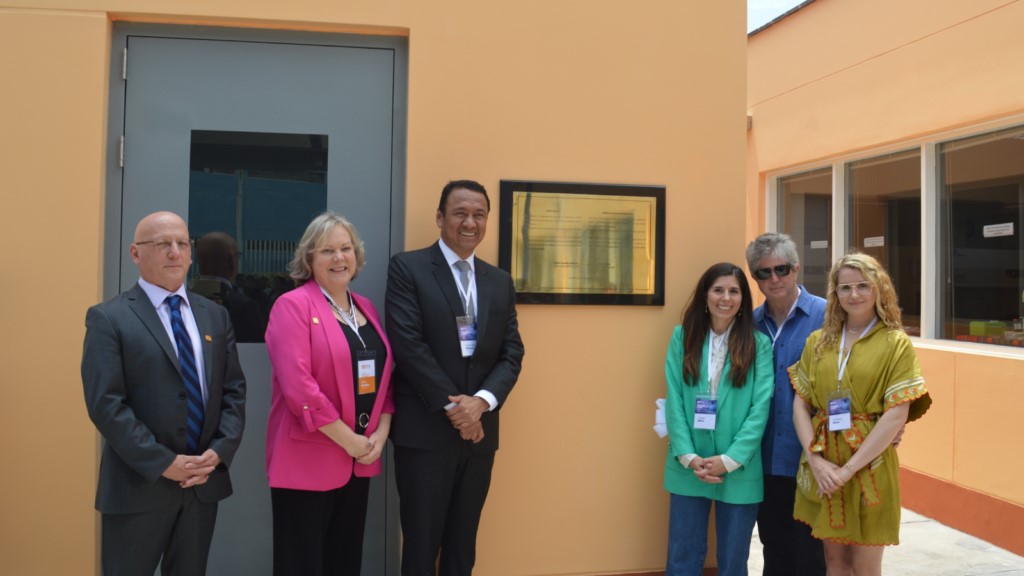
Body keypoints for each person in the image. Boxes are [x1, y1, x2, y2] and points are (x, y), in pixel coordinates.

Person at [81, 211, 247, 576]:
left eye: (183, 243)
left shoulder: (215, 316)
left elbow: (234, 391)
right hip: (138, 487)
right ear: (136, 253)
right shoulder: (109, 319)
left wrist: (217, 454)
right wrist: (163, 463)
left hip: (202, 485)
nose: (175, 252)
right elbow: (106, 405)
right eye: (162, 244)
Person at [385, 179, 525, 576]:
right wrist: (456, 408)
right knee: (420, 545)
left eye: (479, 215)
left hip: (479, 436)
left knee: (463, 545)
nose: (470, 222)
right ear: (440, 217)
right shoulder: (408, 268)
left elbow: (512, 353)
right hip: (426, 432)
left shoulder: (499, 281)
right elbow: (409, 346)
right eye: (461, 212)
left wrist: (480, 403)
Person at [264, 212, 395, 576]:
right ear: (309, 258)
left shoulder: (365, 308)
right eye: (327, 251)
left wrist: (379, 437)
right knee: (302, 566)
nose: (339, 258)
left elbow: (384, 377)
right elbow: (299, 388)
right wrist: (349, 440)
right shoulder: (292, 306)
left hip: (360, 460)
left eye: (345, 249)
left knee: (344, 562)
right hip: (308, 461)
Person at [789, 253, 932, 576]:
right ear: (835, 294)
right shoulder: (819, 342)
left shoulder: (896, 343)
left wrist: (848, 470)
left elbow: (897, 414)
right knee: (835, 563)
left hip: (870, 467)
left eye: (863, 286)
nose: (854, 295)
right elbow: (800, 403)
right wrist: (816, 461)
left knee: (866, 567)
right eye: (845, 287)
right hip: (825, 464)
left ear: (878, 288)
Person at [663, 262, 774, 576]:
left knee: (733, 562)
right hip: (688, 465)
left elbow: (760, 408)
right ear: (705, 295)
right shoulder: (681, 338)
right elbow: (674, 399)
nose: (726, 298)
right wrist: (687, 455)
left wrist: (731, 458)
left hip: (739, 468)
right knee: (681, 559)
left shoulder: (759, 345)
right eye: (718, 290)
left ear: (743, 299)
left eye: (734, 291)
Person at [745, 233, 827, 576]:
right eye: (764, 272)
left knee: (812, 554)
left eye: (781, 269)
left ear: (796, 269)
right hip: (763, 460)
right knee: (774, 550)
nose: (774, 279)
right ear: (754, 277)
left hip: (814, 458)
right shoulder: (747, 324)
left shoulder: (827, 316)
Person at [192, 231, 266, 343]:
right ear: (232, 261)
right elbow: (256, 352)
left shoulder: (180, 302)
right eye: (237, 256)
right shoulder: (245, 307)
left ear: (197, 261)